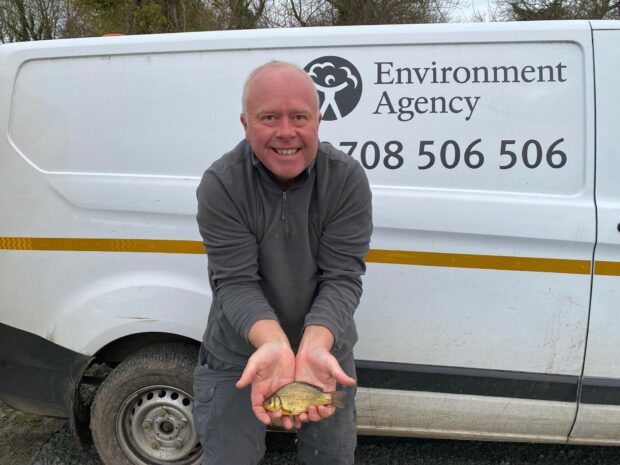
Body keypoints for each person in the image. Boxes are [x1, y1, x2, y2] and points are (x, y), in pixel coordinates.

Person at [193, 60, 372, 465]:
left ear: (319, 121)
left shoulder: (346, 179)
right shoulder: (222, 183)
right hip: (239, 354)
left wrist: (312, 345)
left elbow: (343, 277)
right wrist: (274, 344)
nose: (286, 132)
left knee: (331, 458)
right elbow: (235, 282)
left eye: (299, 117)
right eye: (269, 117)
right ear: (245, 123)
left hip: (324, 354)